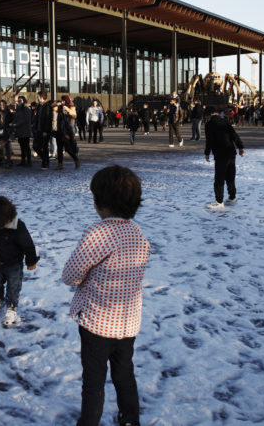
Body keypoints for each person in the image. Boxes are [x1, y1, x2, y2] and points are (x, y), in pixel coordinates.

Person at [61, 165, 151, 426]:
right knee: (125, 374)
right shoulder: (138, 233)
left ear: (100, 202)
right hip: (128, 323)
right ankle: (130, 420)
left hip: (97, 323)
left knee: (94, 381)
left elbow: (71, 275)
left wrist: (85, 279)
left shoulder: (99, 233)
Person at [0, 196, 39, 325]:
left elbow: (28, 245)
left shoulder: (18, 226)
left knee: (13, 287)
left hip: (14, 264)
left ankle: (12, 308)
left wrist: (31, 261)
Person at [204, 106, 245, 209]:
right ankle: (232, 198)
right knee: (230, 176)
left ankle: (219, 201)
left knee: (219, 177)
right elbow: (234, 135)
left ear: (209, 115)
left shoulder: (209, 124)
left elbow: (209, 140)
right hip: (231, 152)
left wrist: (207, 152)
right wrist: (240, 147)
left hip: (220, 153)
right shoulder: (225, 122)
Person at [53, 95, 80, 170]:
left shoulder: (71, 106)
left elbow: (74, 115)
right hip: (59, 130)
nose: (62, 102)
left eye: (64, 101)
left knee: (68, 148)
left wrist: (67, 109)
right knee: (59, 149)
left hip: (67, 130)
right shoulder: (60, 107)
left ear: (67, 101)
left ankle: (76, 159)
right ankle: (60, 164)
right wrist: (56, 104)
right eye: (62, 101)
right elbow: (53, 107)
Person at [13, 95, 33, 167]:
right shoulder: (18, 109)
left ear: (24, 101)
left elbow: (26, 120)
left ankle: (29, 162)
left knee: (26, 146)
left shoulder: (26, 109)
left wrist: (16, 124)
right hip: (19, 131)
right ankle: (23, 161)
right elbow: (16, 118)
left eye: (20, 100)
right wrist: (13, 123)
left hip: (25, 131)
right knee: (22, 146)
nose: (19, 102)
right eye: (18, 101)